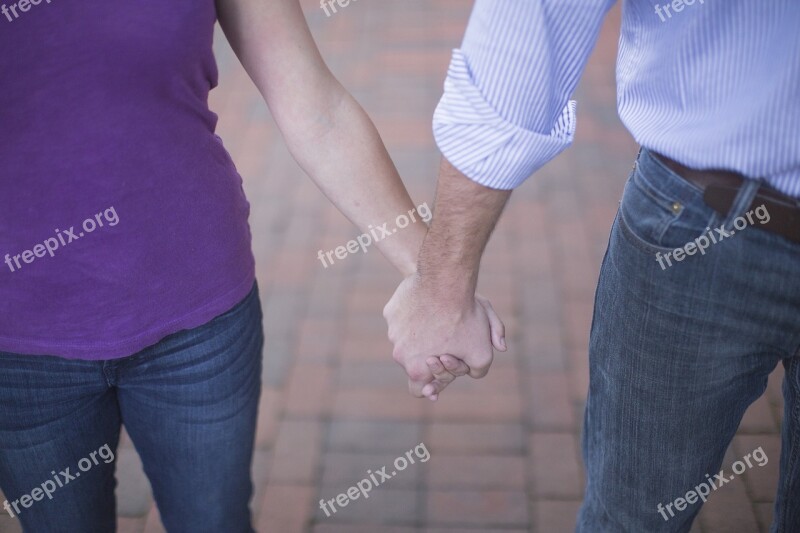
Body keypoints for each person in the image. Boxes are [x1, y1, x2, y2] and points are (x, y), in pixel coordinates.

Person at [0, 0, 503, 531]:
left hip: (199, 315)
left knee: (214, 521)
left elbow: (314, 106)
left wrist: (436, 285)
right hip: (18, 344)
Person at [383, 0, 800, 530]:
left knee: (631, 518)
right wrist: (440, 289)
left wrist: (442, 294)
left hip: (702, 221)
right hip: (701, 226)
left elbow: (527, 39)